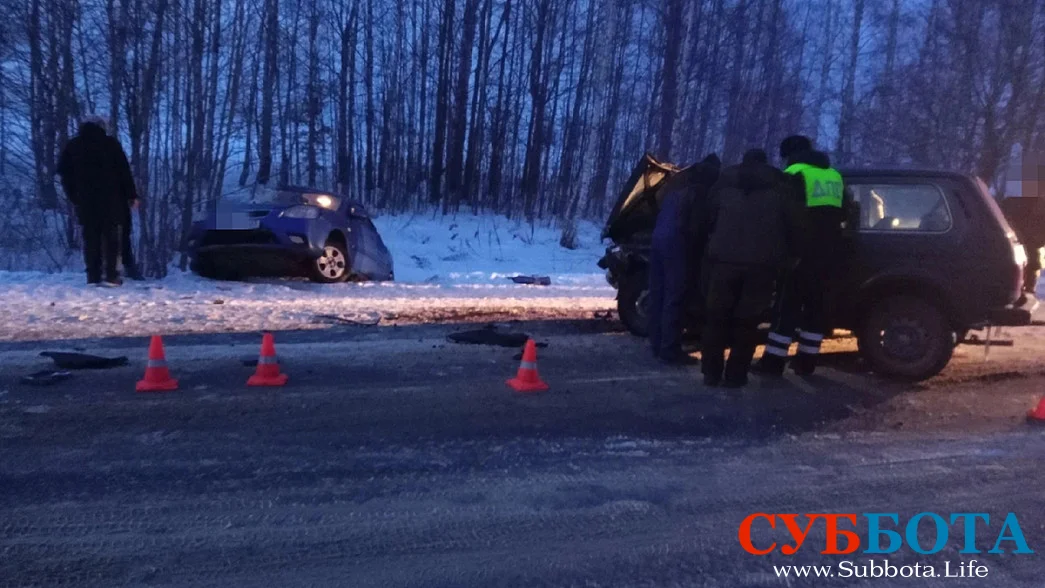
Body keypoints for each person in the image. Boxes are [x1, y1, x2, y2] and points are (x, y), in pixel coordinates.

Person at [700, 149, 800, 387]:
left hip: (723, 261)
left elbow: (707, 216)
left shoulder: (725, 181)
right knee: (747, 322)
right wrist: (790, 257)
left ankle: (711, 373)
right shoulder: (780, 184)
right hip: (761, 265)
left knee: (716, 318)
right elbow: (795, 225)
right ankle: (736, 374)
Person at [755, 135, 848, 376]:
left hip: (800, 255)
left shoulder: (794, 174)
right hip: (829, 256)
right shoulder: (834, 176)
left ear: (790, 154)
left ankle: (772, 363)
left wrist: (785, 252)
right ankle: (806, 362)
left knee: (786, 307)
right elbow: (848, 211)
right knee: (815, 309)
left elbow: (786, 217)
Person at [647, 154, 721, 364]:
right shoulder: (699, 191)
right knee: (675, 297)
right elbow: (696, 228)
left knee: (658, 295)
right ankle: (670, 349)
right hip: (677, 244)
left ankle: (657, 344)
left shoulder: (674, 187)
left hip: (658, 240)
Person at [56, 115, 139, 287]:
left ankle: (93, 276)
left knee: (91, 238)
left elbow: (65, 175)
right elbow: (124, 171)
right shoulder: (111, 144)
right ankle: (111, 275)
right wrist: (132, 195)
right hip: (112, 200)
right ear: (102, 127)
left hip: (86, 201)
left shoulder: (73, 146)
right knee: (111, 238)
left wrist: (74, 196)